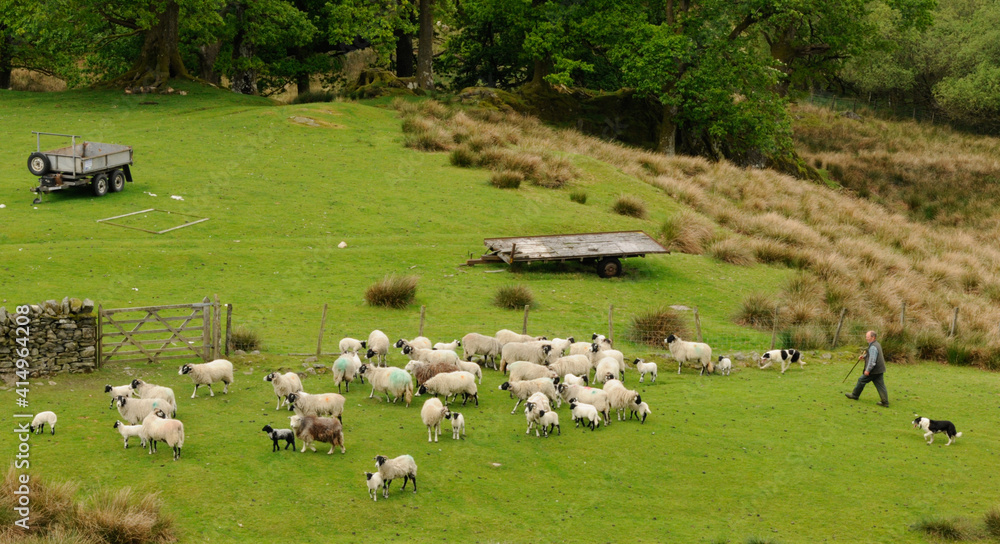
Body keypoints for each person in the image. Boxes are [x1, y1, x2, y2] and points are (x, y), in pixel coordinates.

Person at [845, 330, 888, 407]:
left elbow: (872, 361)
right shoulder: (876, 344)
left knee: (861, 380)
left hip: (874, 370)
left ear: (873, 337)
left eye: (868, 337)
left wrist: (867, 370)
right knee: (880, 385)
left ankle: (855, 395)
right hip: (880, 369)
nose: (866, 338)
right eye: (866, 337)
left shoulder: (873, 347)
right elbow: (872, 356)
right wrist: (864, 357)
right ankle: (885, 402)